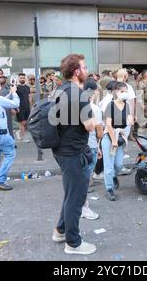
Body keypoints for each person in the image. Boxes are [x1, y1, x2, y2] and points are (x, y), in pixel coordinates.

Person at [51, 54, 97, 255]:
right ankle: (73, 243)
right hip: (73, 152)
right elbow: (89, 126)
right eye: (84, 67)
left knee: (71, 195)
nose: (87, 71)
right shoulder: (80, 94)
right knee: (76, 198)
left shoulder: (60, 90)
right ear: (77, 72)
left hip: (62, 150)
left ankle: (60, 231)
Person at [101, 82, 131, 201]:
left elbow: (128, 122)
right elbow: (108, 124)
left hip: (120, 137)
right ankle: (109, 189)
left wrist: (125, 136)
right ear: (117, 92)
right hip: (109, 137)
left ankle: (113, 176)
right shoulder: (111, 105)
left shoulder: (127, 105)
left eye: (126, 91)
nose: (124, 94)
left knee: (118, 165)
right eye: (122, 91)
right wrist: (114, 140)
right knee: (108, 165)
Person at [81, 78, 103, 219]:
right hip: (91, 146)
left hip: (80, 146)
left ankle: (82, 204)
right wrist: (99, 146)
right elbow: (99, 132)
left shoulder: (78, 106)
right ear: (94, 92)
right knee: (85, 178)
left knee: (82, 177)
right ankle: (83, 207)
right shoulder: (95, 109)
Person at [15, 73, 31, 143]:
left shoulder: (27, 87)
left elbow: (28, 96)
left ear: (25, 79)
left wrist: (31, 105)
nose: (22, 79)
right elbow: (14, 97)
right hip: (20, 107)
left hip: (27, 107)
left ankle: (19, 132)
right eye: (21, 78)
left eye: (23, 78)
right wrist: (15, 107)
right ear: (18, 79)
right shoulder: (16, 88)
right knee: (21, 123)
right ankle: (23, 137)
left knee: (24, 122)